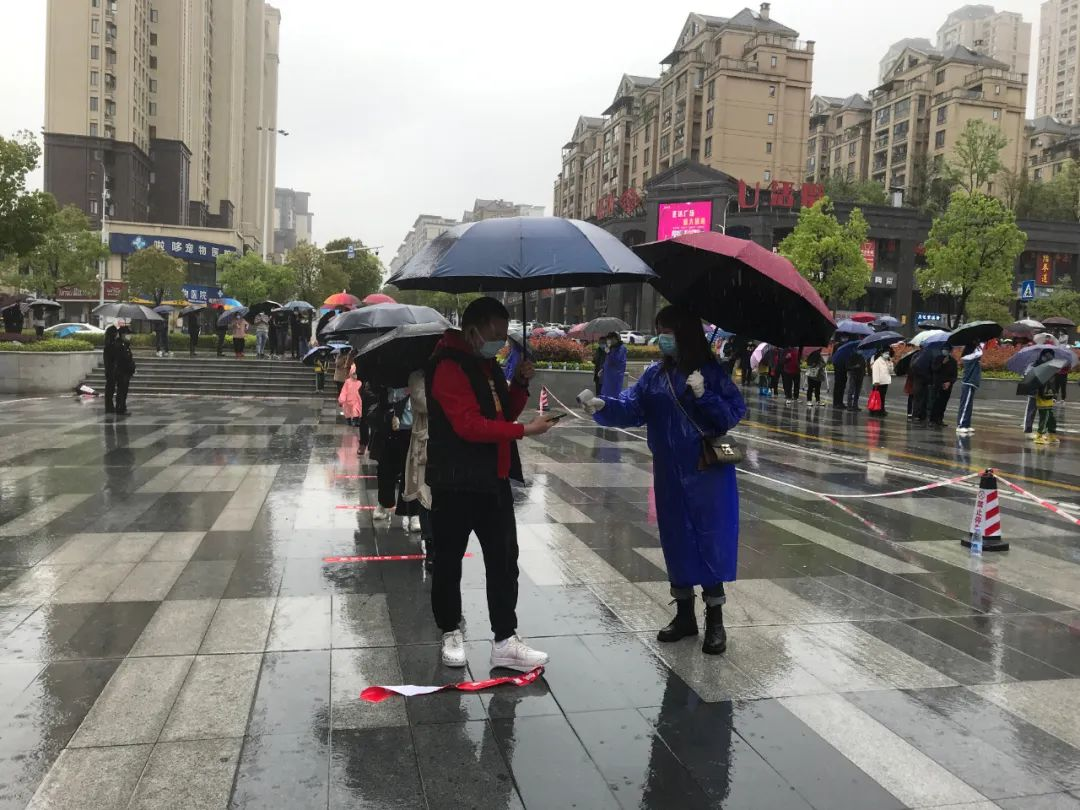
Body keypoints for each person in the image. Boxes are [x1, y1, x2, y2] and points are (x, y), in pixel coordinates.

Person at [580, 304, 746, 655]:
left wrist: (704, 394)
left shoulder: (710, 372)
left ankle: (715, 620)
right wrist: (605, 406)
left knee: (709, 540)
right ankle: (684, 614)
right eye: (659, 331)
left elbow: (730, 415)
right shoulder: (655, 375)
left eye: (668, 332)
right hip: (669, 472)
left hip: (707, 473)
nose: (662, 339)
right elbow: (633, 408)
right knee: (676, 539)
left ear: (684, 333)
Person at [426, 297, 554, 671]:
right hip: (456, 482)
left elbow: (502, 412)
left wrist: (520, 383)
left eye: (503, 334)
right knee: (449, 561)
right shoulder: (448, 365)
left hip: (493, 479)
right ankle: (450, 630)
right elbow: (468, 425)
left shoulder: (485, 364)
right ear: (474, 328)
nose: (500, 341)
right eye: (496, 333)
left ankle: (505, 639)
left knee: (503, 560)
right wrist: (525, 430)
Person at [370, 385, 420, 529]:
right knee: (385, 469)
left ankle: (414, 513)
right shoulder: (387, 382)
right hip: (389, 430)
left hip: (413, 432)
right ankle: (384, 503)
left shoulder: (418, 378)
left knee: (412, 473)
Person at [403, 368, 433, 557]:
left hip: (449, 444)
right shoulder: (417, 376)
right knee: (425, 493)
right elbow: (424, 404)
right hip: (425, 444)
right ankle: (429, 543)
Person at [1034, 349, 1061, 445]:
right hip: (1042, 397)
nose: (1050, 357)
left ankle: (1051, 435)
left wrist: (1055, 396)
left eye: (1051, 355)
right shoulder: (1038, 367)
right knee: (1044, 417)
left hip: (1050, 396)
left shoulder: (1052, 368)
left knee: (1051, 418)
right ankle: (1039, 436)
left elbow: (1054, 383)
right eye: (1048, 355)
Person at [928, 345, 958, 428]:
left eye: (947, 350)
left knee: (943, 403)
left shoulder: (953, 361)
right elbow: (934, 369)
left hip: (948, 386)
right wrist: (942, 364)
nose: (945, 351)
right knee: (935, 403)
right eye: (944, 349)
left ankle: (940, 420)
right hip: (938, 384)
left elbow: (954, 375)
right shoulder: (938, 359)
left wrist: (949, 382)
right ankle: (932, 420)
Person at [956, 343, 983, 435]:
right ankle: (961, 425)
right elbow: (978, 353)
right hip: (968, 383)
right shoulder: (968, 356)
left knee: (969, 406)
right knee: (965, 405)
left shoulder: (973, 356)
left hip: (972, 383)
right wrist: (979, 345)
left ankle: (966, 424)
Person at [112, 325, 137, 415]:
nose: (129, 336)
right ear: (122, 334)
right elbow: (123, 358)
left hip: (126, 372)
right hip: (121, 372)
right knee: (121, 391)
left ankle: (122, 406)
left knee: (123, 390)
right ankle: (120, 408)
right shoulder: (119, 345)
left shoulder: (125, 344)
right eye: (127, 334)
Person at [338, 363, 363, 448]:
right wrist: (342, 398)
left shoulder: (360, 382)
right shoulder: (348, 382)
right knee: (347, 412)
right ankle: (349, 420)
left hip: (356, 400)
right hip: (347, 401)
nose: (355, 375)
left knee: (356, 410)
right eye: (354, 373)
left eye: (356, 374)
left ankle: (356, 420)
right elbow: (344, 391)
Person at [600, 332, 627, 397]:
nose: (609, 341)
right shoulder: (612, 348)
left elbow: (616, 361)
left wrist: (609, 353)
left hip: (615, 377)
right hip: (608, 376)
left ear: (615, 339)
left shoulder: (621, 348)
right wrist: (603, 369)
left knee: (613, 395)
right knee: (606, 394)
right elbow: (607, 361)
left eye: (611, 339)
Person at [870, 349, 893, 417]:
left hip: (885, 382)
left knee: (883, 397)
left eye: (888, 353)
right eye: (886, 353)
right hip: (879, 383)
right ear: (881, 354)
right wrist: (876, 381)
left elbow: (891, 371)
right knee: (878, 397)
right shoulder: (877, 362)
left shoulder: (887, 361)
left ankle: (882, 410)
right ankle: (876, 410)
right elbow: (875, 372)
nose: (887, 354)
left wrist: (890, 364)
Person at [102, 325, 119, 414]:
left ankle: (109, 406)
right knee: (110, 389)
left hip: (110, 370)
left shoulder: (109, 344)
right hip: (111, 370)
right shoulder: (110, 345)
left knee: (110, 389)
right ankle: (109, 407)